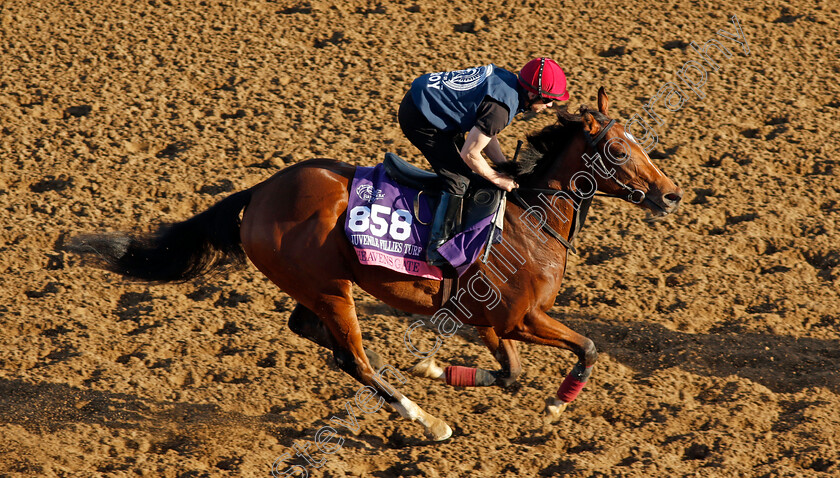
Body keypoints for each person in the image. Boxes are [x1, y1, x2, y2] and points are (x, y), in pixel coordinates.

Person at [398, 57, 570, 265]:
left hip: (429, 101)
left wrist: (503, 166)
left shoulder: (507, 83)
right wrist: (496, 178)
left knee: (470, 171)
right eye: (547, 99)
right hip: (419, 116)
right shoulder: (500, 110)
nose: (550, 105)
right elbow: (470, 154)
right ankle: (436, 248)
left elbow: (485, 132)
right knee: (459, 180)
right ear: (532, 94)